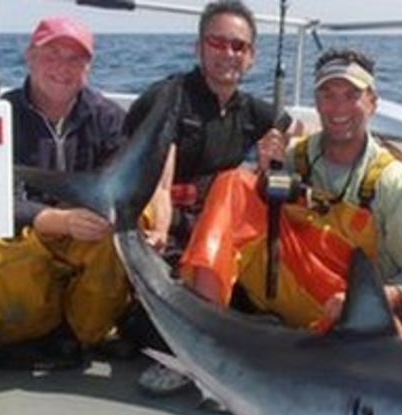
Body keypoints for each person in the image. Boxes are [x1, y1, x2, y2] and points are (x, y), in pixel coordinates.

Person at [180, 48, 402, 335]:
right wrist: (265, 170)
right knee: (232, 183)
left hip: (347, 309)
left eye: (351, 95)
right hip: (281, 282)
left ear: (372, 102)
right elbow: (243, 217)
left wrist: (378, 298)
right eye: (327, 95)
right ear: (316, 102)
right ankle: (200, 331)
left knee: (390, 333)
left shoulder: (396, 180)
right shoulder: (294, 155)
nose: (338, 107)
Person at [123, 0, 288, 394]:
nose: (228, 53)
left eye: (239, 46)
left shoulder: (253, 112)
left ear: (251, 57)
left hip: (214, 231)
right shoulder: (166, 97)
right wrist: (160, 226)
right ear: (199, 47)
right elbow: (153, 180)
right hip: (162, 225)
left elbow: (288, 127)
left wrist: (275, 153)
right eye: (218, 42)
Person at [0, 16, 146, 368]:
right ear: (30, 56)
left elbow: (122, 190)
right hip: (26, 232)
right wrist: (55, 219)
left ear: (88, 68)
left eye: (75, 59)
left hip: (85, 232)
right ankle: (28, 336)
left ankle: (84, 335)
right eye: (52, 54)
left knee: (119, 239)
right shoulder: (0, 117)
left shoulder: (109, 118)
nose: (63, 68)